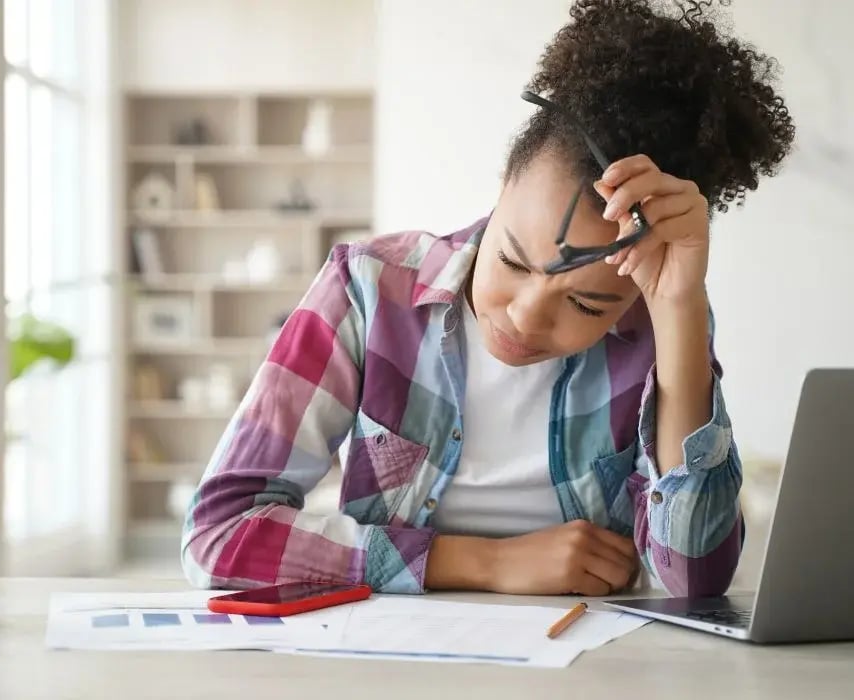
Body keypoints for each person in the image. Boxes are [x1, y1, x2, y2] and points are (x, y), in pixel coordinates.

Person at [181, 0, 795, 598]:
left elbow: (696, 582)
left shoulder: (660, 322)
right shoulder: (369, 291)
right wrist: (483, 562)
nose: (527, 315)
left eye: (586, 305)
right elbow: (219, 537)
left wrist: (682, 310)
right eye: (511, 260)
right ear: (501, 186)